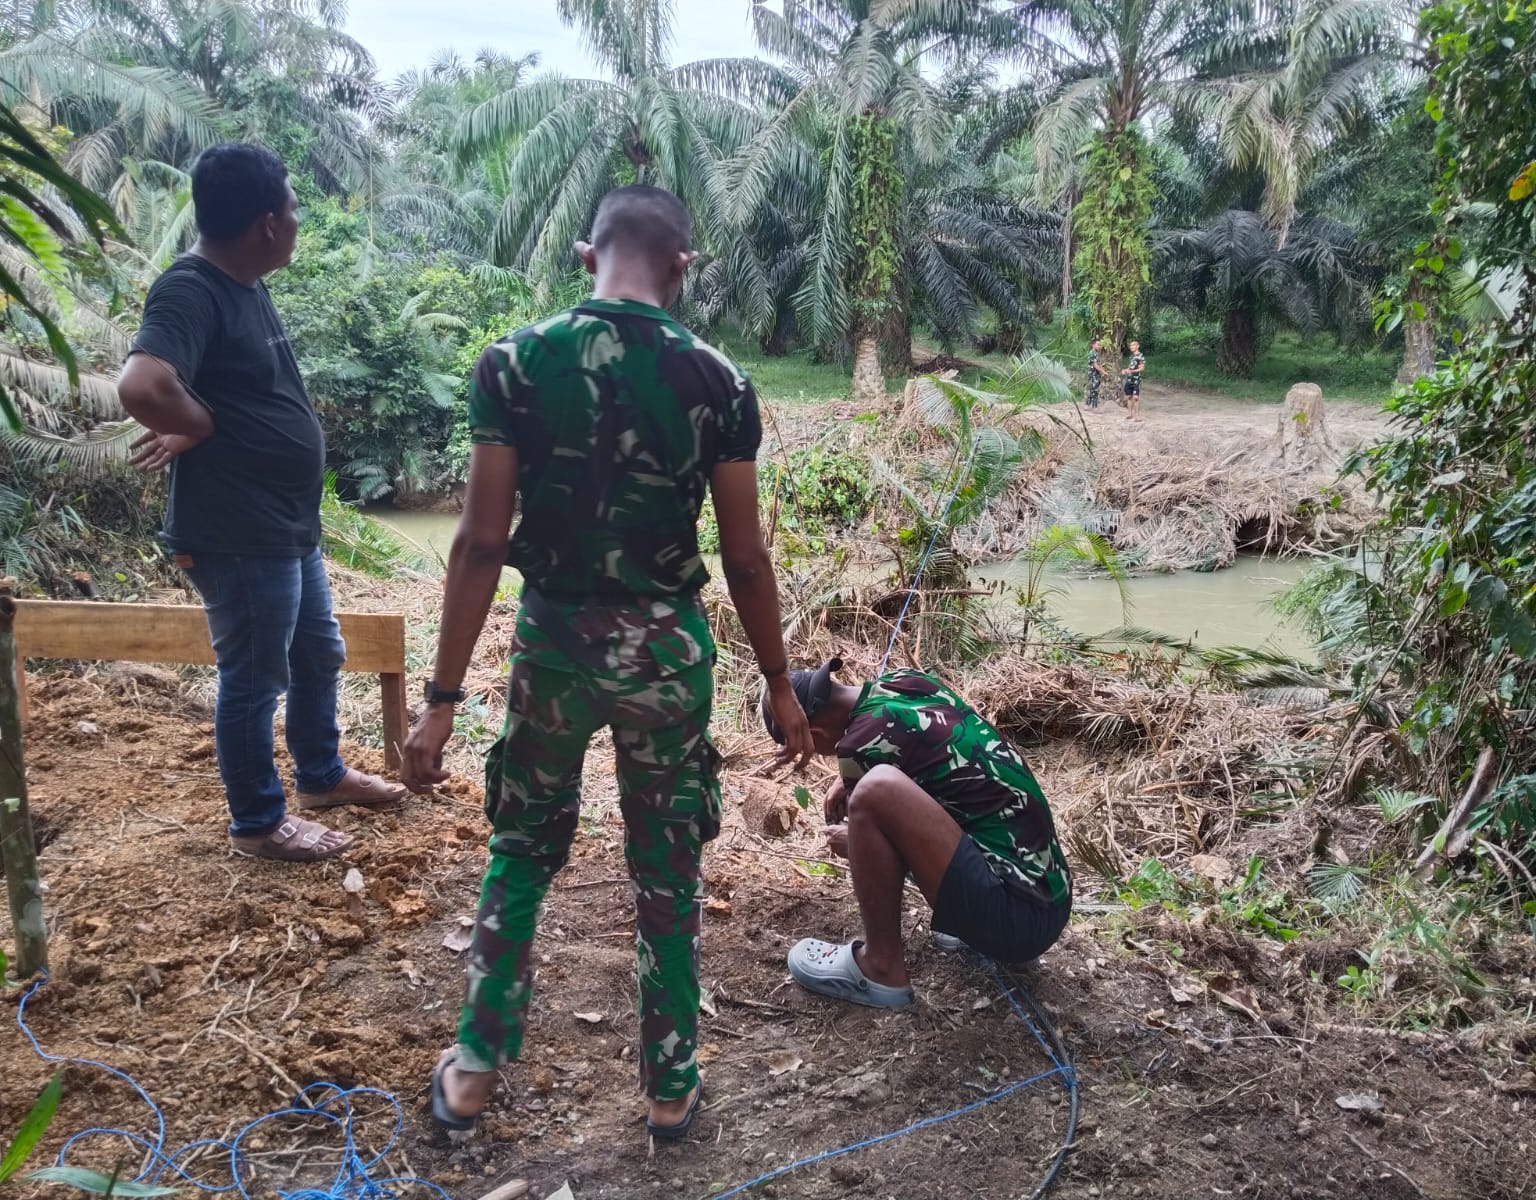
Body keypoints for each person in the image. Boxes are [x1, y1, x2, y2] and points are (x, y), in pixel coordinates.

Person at [399, 185, 813, 1142]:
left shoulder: (513, 363)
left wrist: (441, 699)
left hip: (552, 646)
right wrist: (779, 682)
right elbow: (746, 557)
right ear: (683, 266)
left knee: (521, 849)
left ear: (588, 256)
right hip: (667, 655)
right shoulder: (720, 381)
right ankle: (670, 1087)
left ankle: (474, 1069)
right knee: (667, 869)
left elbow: (479, 543)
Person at [117, 142, 404, 864]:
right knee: (254, 677)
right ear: (267, 224)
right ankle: (257, 822)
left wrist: (206, 418)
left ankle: (321, 775)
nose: (298, 221)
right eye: (293, 208)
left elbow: (225, 388)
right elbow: (143, 384)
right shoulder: (191, 288)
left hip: (282, 526)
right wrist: (199, 424)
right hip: (237, 530)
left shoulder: (243, 282)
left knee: (318, 653)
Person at [761, 659, 1072, 1009]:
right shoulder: (906, 683)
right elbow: (924, 742)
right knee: (889, 787)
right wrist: (844, 776)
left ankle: (880, 967)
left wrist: (858, 844)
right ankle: (965, 926)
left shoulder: (858, 748)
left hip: (1015, 921)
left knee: (876, 789)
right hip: (1049, 899)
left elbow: (874, 796)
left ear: (814, 735)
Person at [1121, 339, 1145, 419]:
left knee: (1136, 398)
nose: (1131, 347)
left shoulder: (1140, 356)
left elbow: (1142, 368)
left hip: (1136, 380)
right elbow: (1130, 367)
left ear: (1138, 346)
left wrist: (1132, 371)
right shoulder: (1131, 356)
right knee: (1129, 397)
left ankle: (1137, 416)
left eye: (1133, 345)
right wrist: (1125, 370)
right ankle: (1130, 414)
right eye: (1131, 345)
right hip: (1129, 379)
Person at [1085, 337, 1109, 411]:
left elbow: (1099, 364)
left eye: (1100, 345)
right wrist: (1103, 372)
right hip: (1093, 374)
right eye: (1098, 345)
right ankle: (1092, 406)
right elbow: (1095, 365)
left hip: (1096, 374)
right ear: (1093, 345)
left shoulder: (1096, 354)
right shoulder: (1092, 353)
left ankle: (1090, 405)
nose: (1099, 346)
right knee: (1093, 390)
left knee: (1094, 389)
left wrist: (1103, 372)